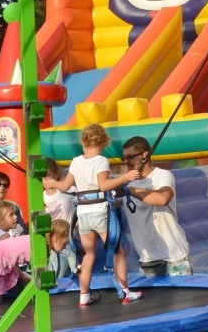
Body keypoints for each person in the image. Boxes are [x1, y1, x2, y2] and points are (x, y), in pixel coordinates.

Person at [102, 136, 199, 332]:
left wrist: (129, 189)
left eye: (130, 157)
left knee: (189, 317)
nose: (126, 162)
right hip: (148, 260)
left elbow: (162, 198)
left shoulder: (162, 176)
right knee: (158, 319)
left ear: (145, 155)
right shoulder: (123, 181)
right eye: (123, 158)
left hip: (175, 256)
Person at [42, 124, 140, 307]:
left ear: (83, 142)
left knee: (89, 254)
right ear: (103, 143)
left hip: (83, 213)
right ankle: (125, 292)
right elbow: (103, 186)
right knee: (117, 251)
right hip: (99, 211)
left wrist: (51, 182)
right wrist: (126, 177)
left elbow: (64, 186)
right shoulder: (101, 161)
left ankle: (84, 295)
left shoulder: (76, 161)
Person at [0, 226, 67, 304]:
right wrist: (46, 281)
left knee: (19, 290)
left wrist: (21, 275)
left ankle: (4, 285)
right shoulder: (40, 247)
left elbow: (12, 257)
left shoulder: (40, 241)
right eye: (64, 244)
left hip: (4, 261)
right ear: (57, 238)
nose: (65, 247)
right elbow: (38, 272)